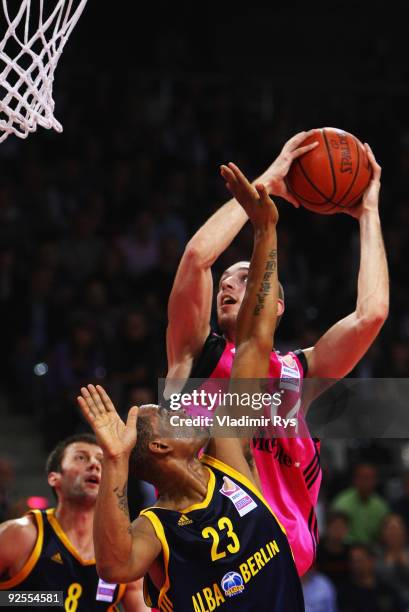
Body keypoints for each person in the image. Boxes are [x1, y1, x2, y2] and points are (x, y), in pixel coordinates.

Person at [77, 165, 305, 611]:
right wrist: (114, 460)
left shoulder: (229, 457)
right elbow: (115, 567)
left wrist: (266, 232)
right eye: (168, 416)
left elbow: (256, 340)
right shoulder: (157, 527)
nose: (184, 410)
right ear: (161, 446)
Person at [165, 132, 389, 575]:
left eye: (244, 276)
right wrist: (269, 185)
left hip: (279, 555)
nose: (227, 284)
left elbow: (372, 314)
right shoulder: (195, 354)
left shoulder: (300, 372)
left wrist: (368, 212)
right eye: (225, 281)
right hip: (204, 550)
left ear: (277, 304)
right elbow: (195, 259)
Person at [0, 433, 147, 611]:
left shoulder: (123, 551)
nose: (94, 465)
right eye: (81, 458)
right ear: (54, 478)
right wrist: (49, 598)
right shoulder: (20, 534)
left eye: (101, 461)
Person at [332, 462, 390, 544]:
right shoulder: (342, 504)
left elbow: (384, 535)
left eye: (370, 478)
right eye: (363, 478)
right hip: (347, 549)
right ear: (355, 480)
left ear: (376, 481)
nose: (366, 482)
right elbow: (336, 533)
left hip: (374, 551)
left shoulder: (381, 506)